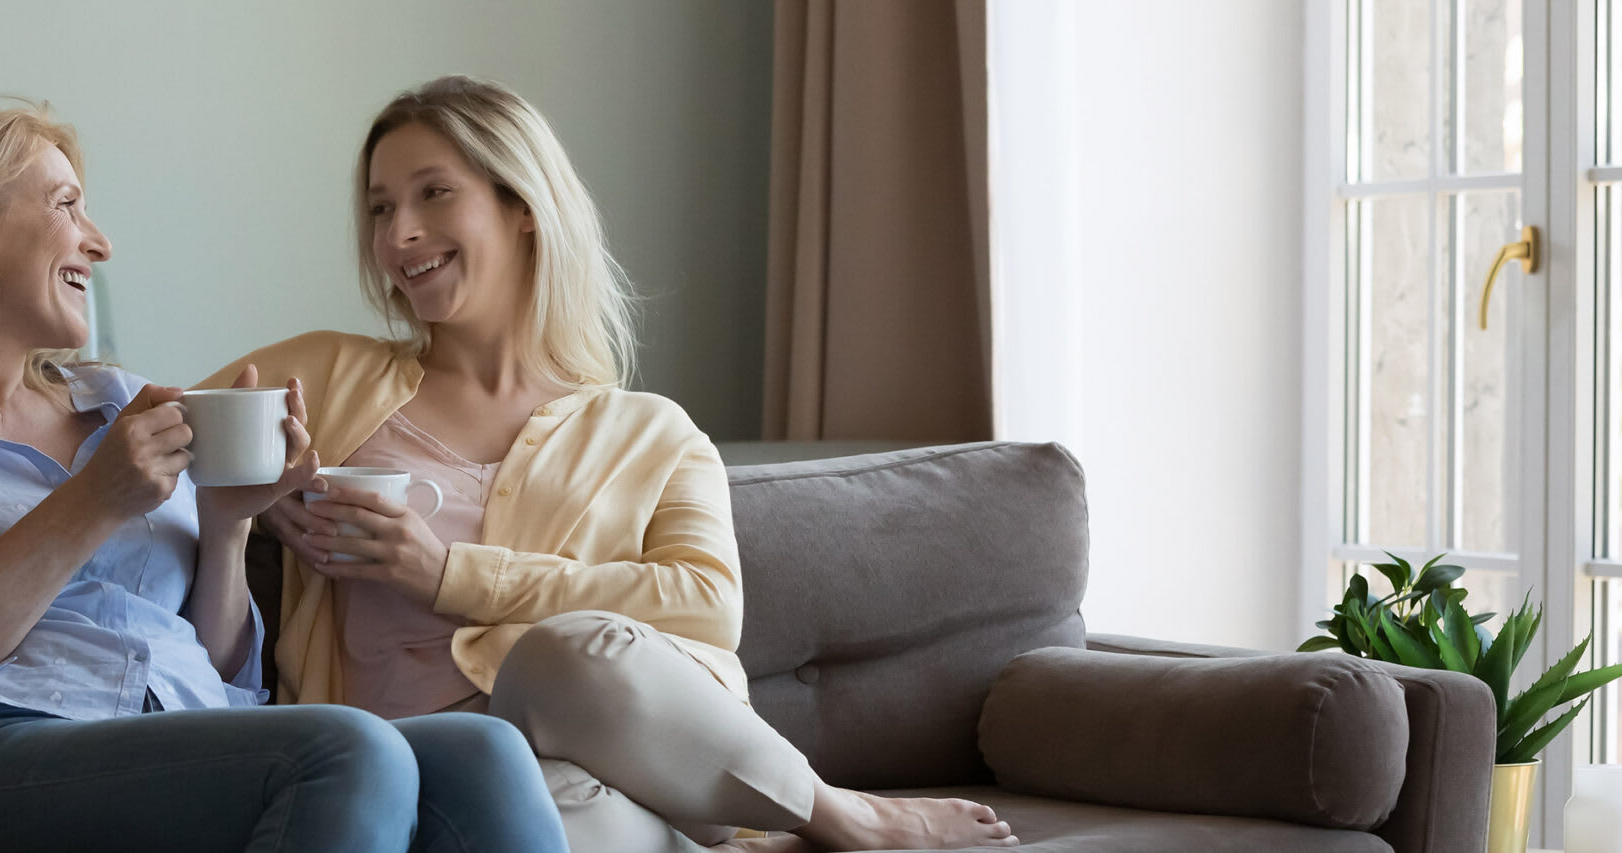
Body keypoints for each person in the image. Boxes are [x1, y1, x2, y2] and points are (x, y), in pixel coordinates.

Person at [205, 77, 1020, 853]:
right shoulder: (332, 377)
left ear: (521, 206)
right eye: (381, 208)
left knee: (564, 657)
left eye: (433, 193)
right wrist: (244, 495)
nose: (398, 234)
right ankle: (788, 828)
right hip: (420, 774)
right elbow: (138, 431)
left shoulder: (655, 434)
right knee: (523, 812)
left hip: (582, 758)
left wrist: (449, 574)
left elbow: (706, 605)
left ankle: (837, 816)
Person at [0, 99, 567, 853]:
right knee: (345, 746)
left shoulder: (119, 401)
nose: (99, 241)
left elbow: (216, 672)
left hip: (170, 729)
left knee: (484, 752)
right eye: (66, 205)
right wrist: (90, 502)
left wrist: (226, 527)